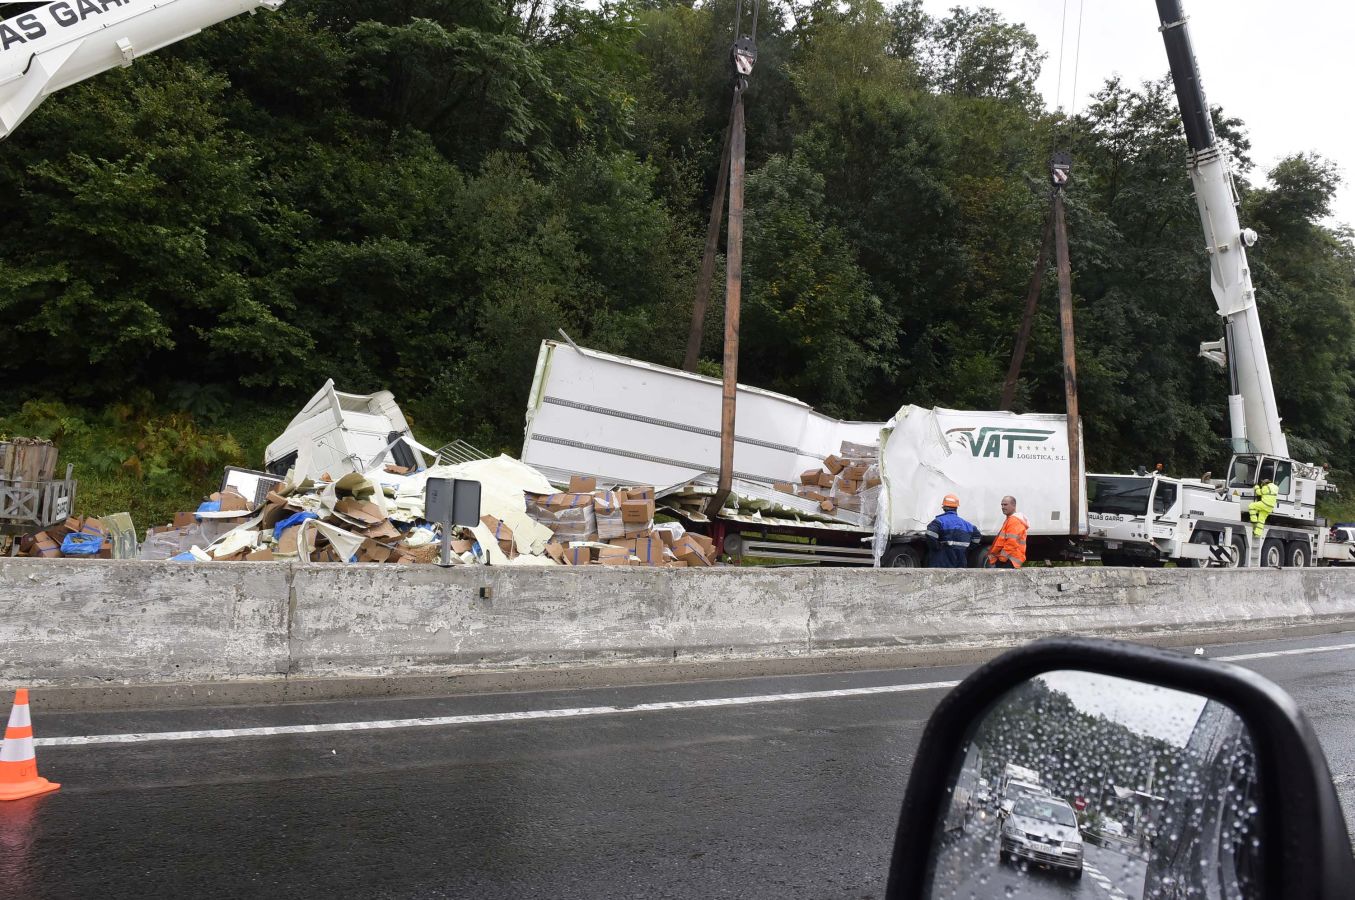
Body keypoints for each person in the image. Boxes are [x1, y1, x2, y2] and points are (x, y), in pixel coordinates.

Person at [925, 494, 980, 568]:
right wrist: (967, 547)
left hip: (942, 562)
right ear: (956, 507)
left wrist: (936, 547)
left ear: (943, 507)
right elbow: (977, 538)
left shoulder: (939, 522)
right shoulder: (968, 525)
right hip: (960, 562)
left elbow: (930, 534)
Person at [987, 495, 1028, 569]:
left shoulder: (1014, 520)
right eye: (1002, 505)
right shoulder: (1011, 520)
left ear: (1013, 505)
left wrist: (1002, 558)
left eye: (1005, 504)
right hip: (1009, 559)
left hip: (1009, 560)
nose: (1002, 507)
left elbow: (1012, 542)